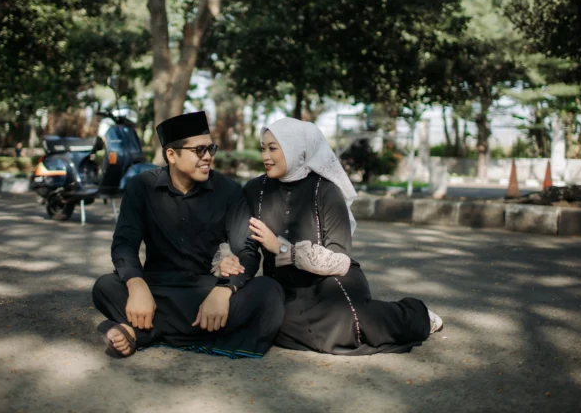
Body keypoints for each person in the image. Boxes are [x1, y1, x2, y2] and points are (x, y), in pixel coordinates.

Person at [215, 117, 442, 355]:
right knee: (269, 320)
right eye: (263, 148)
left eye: (273, 148)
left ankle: (416, 315)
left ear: (297, 149)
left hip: (332, 281)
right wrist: (228, 264)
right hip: (285, 289)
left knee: (345, 319)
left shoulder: (325, 191)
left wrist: (282, 249)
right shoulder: (254, 190)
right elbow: (246, 248)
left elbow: (340, 261)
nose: (265, 157)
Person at [92, 111, 285, 359]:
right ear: (171, 155)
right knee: (105, 287)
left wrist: (224, 291)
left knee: (269, 291)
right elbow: (124, 244)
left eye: (211, 149)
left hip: (209, 291)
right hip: (157, 289)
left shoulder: (229, 191)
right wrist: (136, 284)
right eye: (199, 151)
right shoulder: (142, 187)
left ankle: (143, 332)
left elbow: (246, 251)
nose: (208, 158)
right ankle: (203, 335)